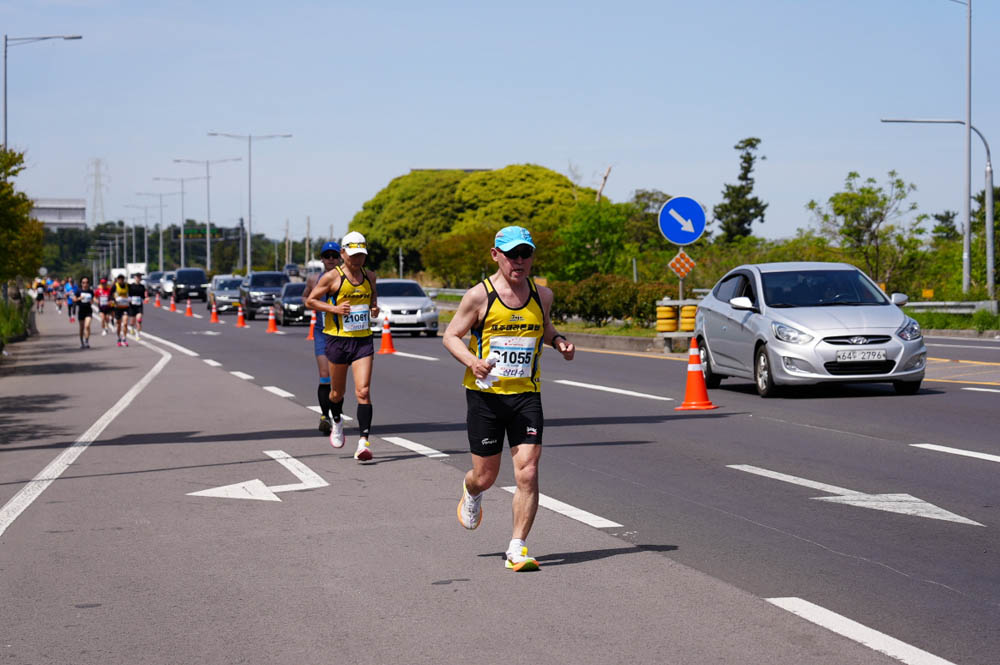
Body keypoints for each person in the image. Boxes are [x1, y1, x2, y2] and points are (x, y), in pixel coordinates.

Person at [442, 225, 575, 572]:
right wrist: (473, 361)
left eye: (525, 254)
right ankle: (471, 492)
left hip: (526, 396)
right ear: (495, 255)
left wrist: (558, 340)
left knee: (528, 473)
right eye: (512, 254)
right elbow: (451, 336)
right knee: (484, 476)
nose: (519, 261)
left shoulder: (542, 294)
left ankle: (517, 547)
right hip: (485, 397)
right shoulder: (479, 296)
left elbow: (543, 326)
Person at [305, 231, 379, 461]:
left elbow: (373, 300)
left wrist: (374, 309)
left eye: (361, 255)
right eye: (353, 255)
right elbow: (310, 301)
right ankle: (336, 421)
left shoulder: (370, 276)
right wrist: (334, 309)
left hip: (362, 340)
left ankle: (363, 442)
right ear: (343, 253)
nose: (357, 260)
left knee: (363, 391)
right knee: (337, 393)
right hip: (337, 340)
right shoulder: (332, 277)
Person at [305, 241, 342, 437]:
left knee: (338, 377)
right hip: (322, 332)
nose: (330, 259)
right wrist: (316, 305)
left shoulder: (347, 278)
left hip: (341, 333)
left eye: (334, 256)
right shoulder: (313, 279)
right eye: (327, 256)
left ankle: (337, 415)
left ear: (340, 257)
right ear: (321, 259)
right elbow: (306, 298)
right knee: (325, 373)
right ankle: (325, 416)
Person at [76, 277, 95, 348]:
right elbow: (74, 299)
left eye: (86, 282)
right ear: (81, 283)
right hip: (81, 311)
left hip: (88, 311)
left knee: (87, 326)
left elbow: (93, 300)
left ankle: (86, 341)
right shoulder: (78, 291)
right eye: (83, 282)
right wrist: (79, 298)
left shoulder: (90, 291)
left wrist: (93, 301)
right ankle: (82, 342)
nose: (85, 284)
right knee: (81, 328)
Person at [112, 274, 130, 347]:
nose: (121, 280)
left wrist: (130, 299)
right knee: (118, 324)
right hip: (118, 307)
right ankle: (118, 338)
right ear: (117, 280)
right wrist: (114, 300)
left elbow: (131, 293)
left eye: (122, 279)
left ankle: (124, 339)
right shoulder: (115, 286)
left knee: (125, 323)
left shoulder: (127, 286)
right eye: (119, 279)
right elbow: (110, 295)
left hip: (125, 307)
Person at [127, 273, 147, 340]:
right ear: (135, 278)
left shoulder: (142, 286)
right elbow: (128, 294)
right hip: (132, 305)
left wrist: (146, 299)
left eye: (140, 277)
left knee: (139, 320)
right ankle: (132, 327)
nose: (139, 278)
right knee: (132, 321)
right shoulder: (130, 286)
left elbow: (143, 296)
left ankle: (137, 334)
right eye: (138, 277)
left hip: (139, 305)